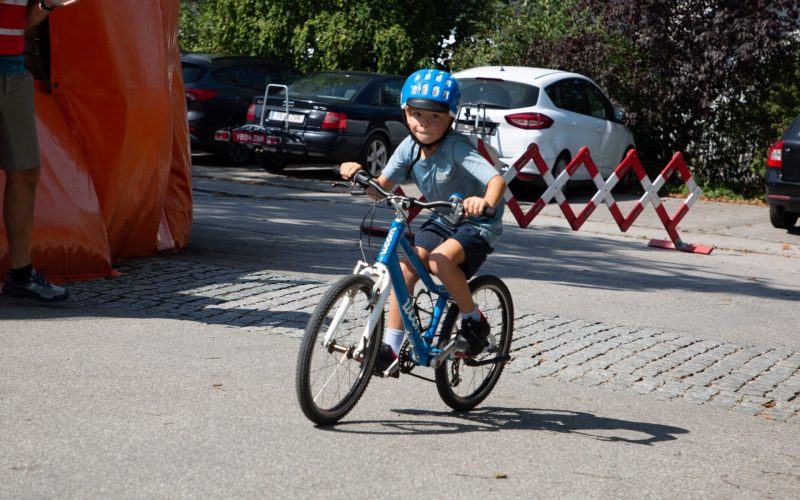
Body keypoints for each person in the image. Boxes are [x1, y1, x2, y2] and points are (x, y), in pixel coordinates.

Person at [340, 68, 506, 371]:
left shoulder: (456, 147)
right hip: (443, 218)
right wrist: (360, 176)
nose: (424, 124)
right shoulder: (409, 147)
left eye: (435, 117)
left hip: (477, 223)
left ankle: (473, 320)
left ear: (451, 118)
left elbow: (496, 180)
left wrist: (484, 202)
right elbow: (382, 190)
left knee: (440, 261)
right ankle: (390, 347)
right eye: (417, 114)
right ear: (405, 113)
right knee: (404, 269)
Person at [1, 0, 79, 302]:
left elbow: (20, 20)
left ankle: (20, 275)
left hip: (14, 73)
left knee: (25, 169)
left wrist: (47, 3)